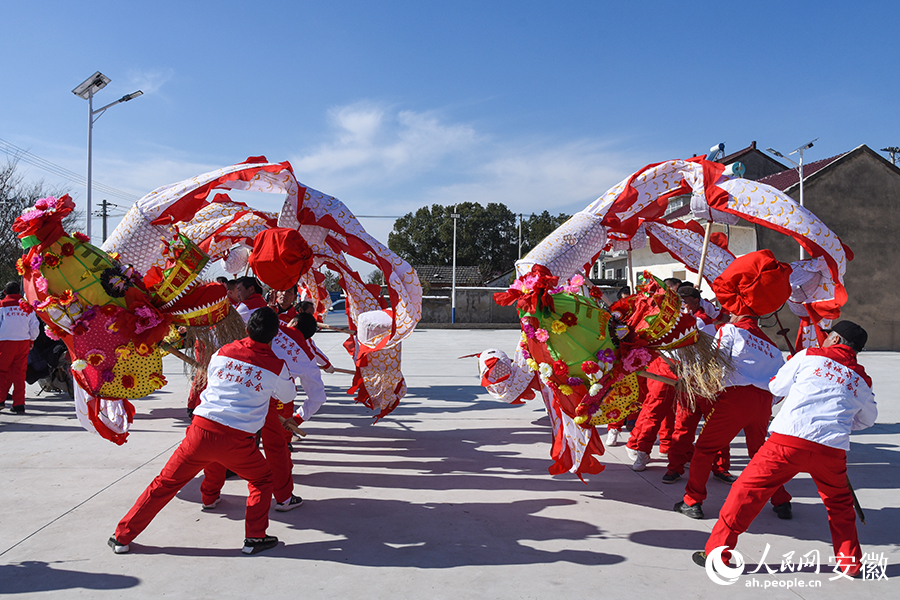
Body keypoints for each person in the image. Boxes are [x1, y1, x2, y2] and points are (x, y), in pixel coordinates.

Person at [695, 321, 876, 577]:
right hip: (831, 450)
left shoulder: (810, 356)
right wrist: (840, 418)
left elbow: (776, 387)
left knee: (746, 491)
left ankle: (717, 553)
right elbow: (867, 419)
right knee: (839, 504)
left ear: (835, 339)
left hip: (788, 441)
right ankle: (850, 564)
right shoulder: (862, 378)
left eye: (826, 336)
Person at [108, 308, 296, 555]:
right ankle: (255, 538)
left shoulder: (223, 352)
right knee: (262, 479)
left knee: (165, 483)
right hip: (237, 440)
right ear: (274, 336)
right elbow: (288, 395)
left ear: (248, 329)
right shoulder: (276, 366)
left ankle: (122, 536)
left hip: (200, 430)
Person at [674, 311, 791, 519]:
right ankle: (781, 501)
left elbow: (714, 362)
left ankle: (692, 501)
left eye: (731, 313)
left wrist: (696, 382)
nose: (728, 316)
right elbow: (781, 386)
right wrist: (767, 403)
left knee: (704, 449)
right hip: (764, 402)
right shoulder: (773, 348)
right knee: (760, 454)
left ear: (738, 314)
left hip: (735, 398)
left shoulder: (731, 330)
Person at [0, 281, 41, 414]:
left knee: (2, 371)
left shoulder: (2, 305)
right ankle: (19, 404)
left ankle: (1, 400)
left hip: (5, 342)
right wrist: (32, 341)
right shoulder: (27, 305)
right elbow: (35, 326)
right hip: (23, 342)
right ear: (19, 292)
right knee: (19, 373)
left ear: (5, 292)